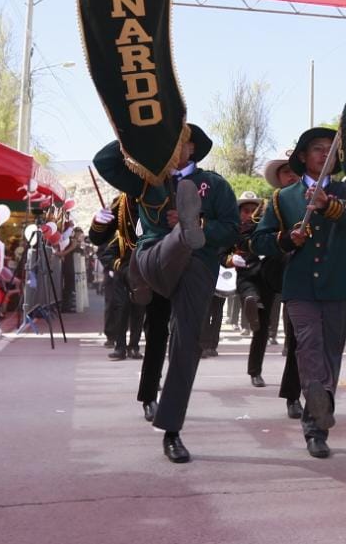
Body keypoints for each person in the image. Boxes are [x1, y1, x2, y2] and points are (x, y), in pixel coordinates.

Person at [93, 124, 239, 464]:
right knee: (156, 329)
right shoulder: (147, 180)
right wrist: (138, 136)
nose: (173, 148)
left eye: (179, 141)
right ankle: (174, 242)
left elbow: (232, 229)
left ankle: (171, 430)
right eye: (168, 142)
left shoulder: (215, 184)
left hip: (197, 267)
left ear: (193, 148)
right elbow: (104, 162)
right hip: (154, 259)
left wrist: (200, 226)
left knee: (186, 342)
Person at [252, 127, 346, 459]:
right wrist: (286, 239)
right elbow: (259, 241)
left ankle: (320, 408)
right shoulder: (283, 197)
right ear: (303, 156)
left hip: (336, 285)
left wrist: (327, 205)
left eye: (330, 150)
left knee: (331, 353)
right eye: (318, 148)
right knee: (308, 346)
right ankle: (315, 429)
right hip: (299, 286)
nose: (324, 154)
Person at [259, 150, 304, 419]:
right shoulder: (275, 204)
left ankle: (315, 393)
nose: (292, 176)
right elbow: (259, 241)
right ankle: (292, 395)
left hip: (317, 274)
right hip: (281, 271)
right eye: (286, 172)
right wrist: (286, 240)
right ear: (278, 177)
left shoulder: (315, 197)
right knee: (293, 335)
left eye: (295, 171)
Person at [91, 194, 145, 361]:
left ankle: (134, 347)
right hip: (122, 276)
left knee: (139, 312)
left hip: (142, 276)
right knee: (121, 310)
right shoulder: (119, 238)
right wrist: (120, 268)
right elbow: (106, 254)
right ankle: (119, 347)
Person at [225, 192, 266, 379]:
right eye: (246, 211)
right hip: (246, 276)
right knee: (249, 293)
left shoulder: (265, 228)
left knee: (261, 329)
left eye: (253, 211)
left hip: (266, 277)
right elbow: (221, 253)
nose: (249, 215)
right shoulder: (231, 231)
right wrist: (231, 259)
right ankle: (252, 302)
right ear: (239, 212)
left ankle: (255, 372)